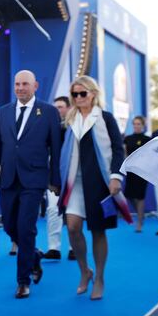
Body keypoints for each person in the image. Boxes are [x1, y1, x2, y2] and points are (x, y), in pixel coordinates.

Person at [0, 70, 61, 299]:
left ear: (35, 85)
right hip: (8, 179)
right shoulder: (3, 112)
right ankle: (34, 257)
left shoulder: (48, 112)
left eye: (25, 84)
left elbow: (55, 149)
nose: (20, 88)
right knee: (10, 227)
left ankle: (23, 281)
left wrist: (54, 180)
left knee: (26, 229)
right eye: (17, 84)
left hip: (34, 180)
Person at [58, 76, 124, 300]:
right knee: (73, 227)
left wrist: (115, 176)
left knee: (98, 230)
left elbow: (118, 148)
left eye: (82, 93)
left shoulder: (105, 118)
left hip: (99, 182)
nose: (78, 98)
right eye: (74, 94)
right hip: (74, 183)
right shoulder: (70, 120)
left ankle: (100, 278)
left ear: (93, 94)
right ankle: (84, 271)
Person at [44, 96, 71, 260]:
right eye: (55, 107)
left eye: (60, 107)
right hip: (54, 176)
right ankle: (54, 248)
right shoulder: (48, 127)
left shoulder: (76, 126)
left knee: (73, 213)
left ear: (68, 108)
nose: (57, 110)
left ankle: (74, 247)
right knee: (53, 210)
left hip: (74, 176)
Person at [124, 116, 151, 232]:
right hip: (130, 171)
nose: (136, 126)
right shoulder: (127, 138)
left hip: (142, 171)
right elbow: (124, 153)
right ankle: (141, 215)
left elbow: (150, 155)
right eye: (134, 124)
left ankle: (139, 222)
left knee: (140, 197)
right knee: (129, 196)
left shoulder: (147, 139)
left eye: (139, 124)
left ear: (143, 125)